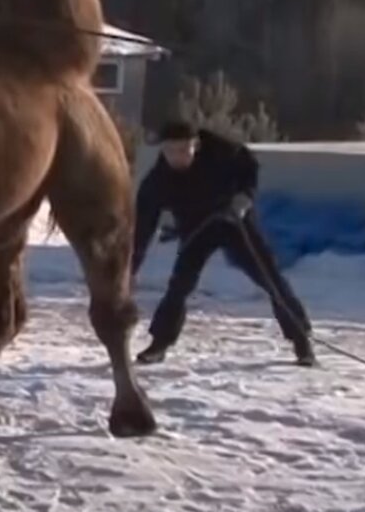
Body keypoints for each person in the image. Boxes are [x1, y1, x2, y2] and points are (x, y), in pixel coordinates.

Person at [131, 119, 315, 367]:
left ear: (195, 145)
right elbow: (143, 230)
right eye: (170, 151)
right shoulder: (157, 181)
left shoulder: (223, 151)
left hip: (235, 222)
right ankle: (159, 343)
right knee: (179, 286)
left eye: (183, 150)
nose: (177, 157)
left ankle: (301, 342)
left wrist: (244, 198)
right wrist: (129, 269)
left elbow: (249, 168)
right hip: (196, 229)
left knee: (270, 279)